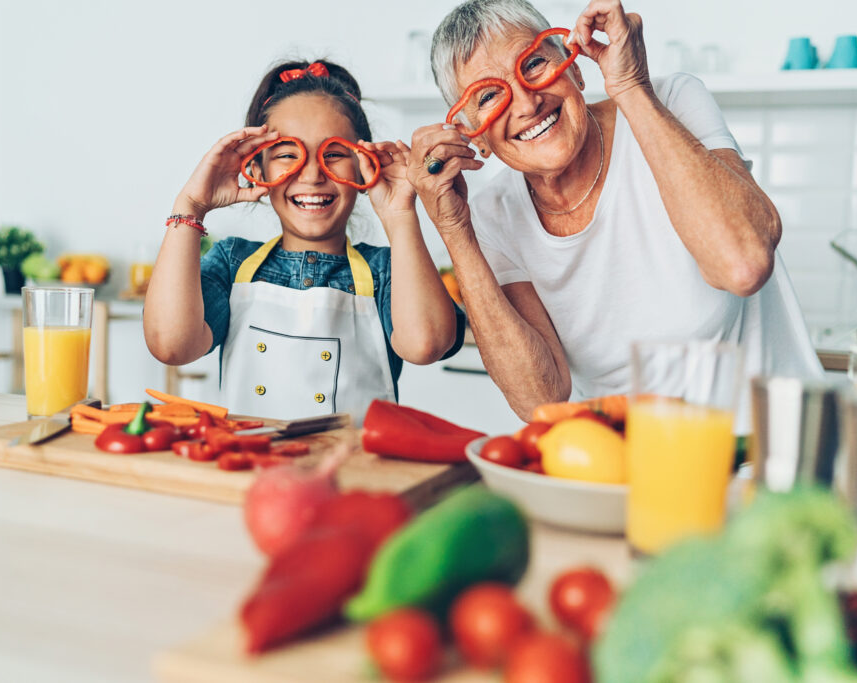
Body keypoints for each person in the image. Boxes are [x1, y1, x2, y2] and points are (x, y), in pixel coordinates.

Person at [406, 0, 822, 429]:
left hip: (771, 452)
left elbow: (743, 264)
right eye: (489, 96)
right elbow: (540, 400)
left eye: (533, 64)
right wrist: (454, 230)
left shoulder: (672, 101)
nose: (527, 103)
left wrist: (629, 85)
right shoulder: (494, 214)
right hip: (625, 466)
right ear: (475, 136)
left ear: (575, 70)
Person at [144, 59, 465, 422]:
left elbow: (426, 344)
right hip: (249, 472)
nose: (312, 175)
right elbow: (171, 345)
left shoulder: (387, 271)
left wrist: (399, 212)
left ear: (365, 166)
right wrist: (191, 206)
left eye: (334, 155)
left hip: (356, 474)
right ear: (256, 169)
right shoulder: (231, 263)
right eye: (286, 155)